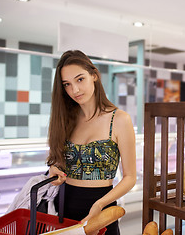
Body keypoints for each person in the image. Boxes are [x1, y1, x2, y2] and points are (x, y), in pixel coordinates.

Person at [46, 50, 136, 234]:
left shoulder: (119, 119)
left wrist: (100, 204)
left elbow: (130, 177)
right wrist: (54, 169)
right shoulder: (66, 119)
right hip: (64, 209)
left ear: (94, 75)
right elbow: (59, 163)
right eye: (67, 84)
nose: (75, 90)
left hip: (101, 210)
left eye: (80, 79)